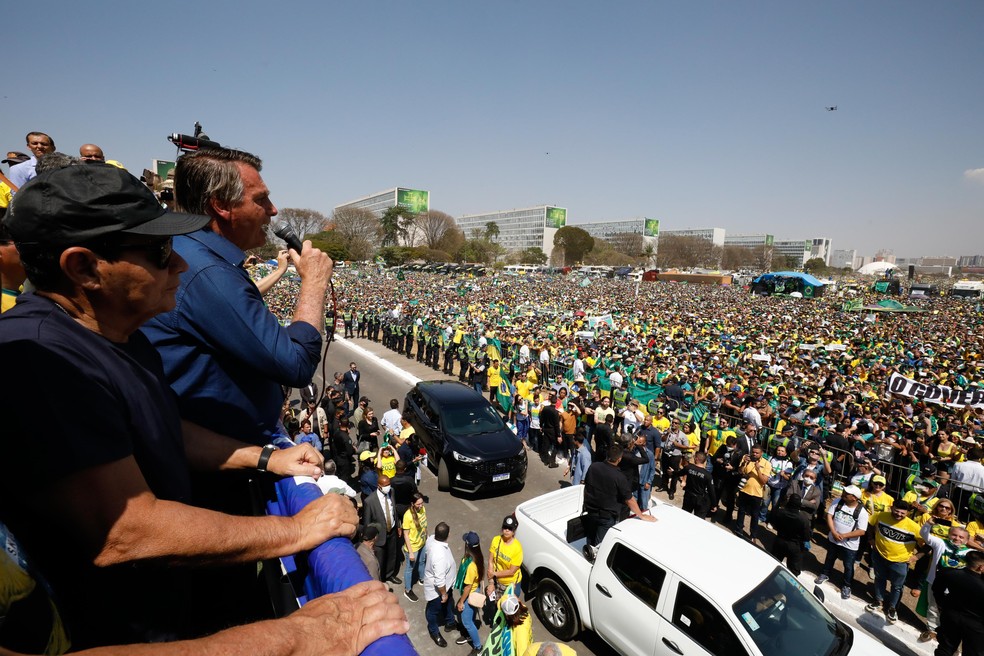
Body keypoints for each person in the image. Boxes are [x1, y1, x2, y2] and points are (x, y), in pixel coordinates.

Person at [0, 164, 359, 648]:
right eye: (160, 252)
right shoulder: (40, 361)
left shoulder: (121, 334)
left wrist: (265, 457)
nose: (181, 266)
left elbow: (169, 429)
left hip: (166, 603)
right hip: (113, 627)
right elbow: (126, 531)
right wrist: (293, 531)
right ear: (83, 268)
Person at [142, 147, 333, 445]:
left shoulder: (196, 253)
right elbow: (296, 364)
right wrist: (315, 283)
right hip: (214, 464)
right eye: (260, 199)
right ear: (221, 206)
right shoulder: (209, 272)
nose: (273, 210)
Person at [582, 445, 657, 556]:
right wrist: (641, 515)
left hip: (591, 511)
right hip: (606, 516)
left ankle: (587, 555)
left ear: (607, 455)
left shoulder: (594, 467)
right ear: (619, 459)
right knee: (599, 547)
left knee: (590, 537)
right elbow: (629, 500)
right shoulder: (619, 477)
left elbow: (586, 486)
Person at [866, 499, 923, 625]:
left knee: (897, 586)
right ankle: (878, 601)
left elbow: (928, 545)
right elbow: (870, 523)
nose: (899, 515)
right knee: (879, 579)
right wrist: (871, 539)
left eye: (903, 513)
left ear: (907, 513)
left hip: (900, 562)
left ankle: (892, 608)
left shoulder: (914, 527)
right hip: (879, 556)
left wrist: (916, 557)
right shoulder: (881, 516)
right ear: (892, 508)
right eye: (896, 511)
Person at [918, 520, 971, 644]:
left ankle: (946, 633)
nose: (957, 538)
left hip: (955, 589)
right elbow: (924, 534)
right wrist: (928, 524)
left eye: (961, 537)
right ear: (949, 535)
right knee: (933, 607)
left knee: (950, 612)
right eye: (954, 535)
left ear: (967, 541)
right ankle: (932, 630)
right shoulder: (940, 543)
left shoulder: (969, 554)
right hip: (935, 582)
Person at [815, 485, 869, 600]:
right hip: (833, 539)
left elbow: (862, 531)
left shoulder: (862, 512)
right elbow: (829, 516)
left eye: (847, 493)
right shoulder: (837, 502)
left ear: (854, 498)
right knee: (830, 558)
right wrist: (834, 532)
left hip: (849, 545)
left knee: (848, 566)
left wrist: (843, 536)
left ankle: (847, 585)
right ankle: (825, 574)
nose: (843, 494)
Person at [932, 550, 984, 656]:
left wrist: (942, 605)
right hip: (976, 625)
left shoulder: (949, 573)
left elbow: (936, 589)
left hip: (950, 616)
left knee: (945, 648)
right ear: (981, 567)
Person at [361, 474, 401, 583]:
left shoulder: (391, 492)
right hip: (379, 536)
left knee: (392, 555)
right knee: (380, 559)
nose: (388, 487)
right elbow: (367, 522)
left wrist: (398, 525)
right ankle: (381, 580)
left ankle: (390, 574)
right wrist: (369, 540)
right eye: (385, 485)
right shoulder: (370, 501)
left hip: (392, 531)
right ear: (379, 486)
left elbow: (394, 511)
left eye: (389, 484)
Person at [423, 522, 457, 647]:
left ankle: (450, 622)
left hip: (446, 587)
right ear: (448, 534)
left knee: (448, 603)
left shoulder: (432, 540)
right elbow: (439, 581)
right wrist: (443, 594)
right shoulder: (440, 556)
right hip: (438, 590)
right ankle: (434, 631)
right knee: (433, 611)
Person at [454, 531, 486, 656]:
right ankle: (468, 635)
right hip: (473, 590)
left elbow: (467, 587)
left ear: (467, 545)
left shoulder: (471, 565)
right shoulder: (476, 556)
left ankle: (478, 646)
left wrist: (461, 601)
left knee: (466, 621)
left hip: (470, 594)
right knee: (470, 617)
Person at [734, 445, 773, 542]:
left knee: (755, 515)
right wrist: (744, 463)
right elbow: (740, 472)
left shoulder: (767, 464)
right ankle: (739, 530)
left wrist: (758, 469)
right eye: (753, 452)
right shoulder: (746, 458)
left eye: (757, 453)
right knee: (741, 511)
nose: (754, 454)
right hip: (744, 490)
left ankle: (753, 535)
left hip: (757, 493)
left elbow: (764, 481)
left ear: (761, 453)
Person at [768, 493, 812, 575]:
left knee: (773, 564)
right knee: (793, 572)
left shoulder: (779, 512)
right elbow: (807, 537)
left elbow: (774, 524)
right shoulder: (803, 519)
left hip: (779, 541)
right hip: (795, 546)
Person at [486, 515, 524, 600]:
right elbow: (490, 561)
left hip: (511, 584)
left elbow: (511, 571)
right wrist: (491, 582)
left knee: (508, 610)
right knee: (497, 605)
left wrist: (494, 574)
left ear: (514, 531)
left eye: (510, 529)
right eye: (505, 527)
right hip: (497, 581)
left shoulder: (517, 548)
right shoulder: (496, 540)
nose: (507, 530)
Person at [402, 493, 428, 602]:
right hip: (413, 547)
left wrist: (427, 539)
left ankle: (422, 579)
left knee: (422, 561)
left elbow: (424, 525)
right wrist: (411, 552)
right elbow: (406, 535)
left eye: (422, 503)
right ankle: (407, 590)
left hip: (422, 543)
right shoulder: (407, 516)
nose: (421, 506)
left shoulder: (422, 509)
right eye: (418, 504)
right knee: (410, 569)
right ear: (412, 504)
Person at [674, 451, 717, 518]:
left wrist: (672, 472)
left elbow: (678, 473)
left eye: (694, 457)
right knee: (698, 520)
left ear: (697, 459)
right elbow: (711, 491)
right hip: (700, 499)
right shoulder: (708, 475)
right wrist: (714, 504)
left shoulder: (689, 468)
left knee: (684, 516)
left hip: (688, 497)